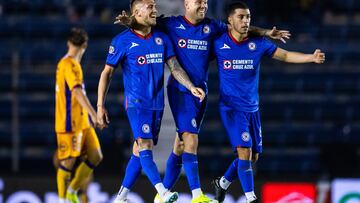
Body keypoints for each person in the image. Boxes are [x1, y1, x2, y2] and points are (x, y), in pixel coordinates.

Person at [114, 1, 290, 202]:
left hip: (200, 91)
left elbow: (240, 29)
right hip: (180, 89)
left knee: (180, 145)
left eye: (206, 2)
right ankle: (197, 195)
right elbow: (144, 23)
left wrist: (267, 33)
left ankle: (157, 195)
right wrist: (129, 21)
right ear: (186, 3)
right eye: (199, 1)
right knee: (190, 139)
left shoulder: (212, 26)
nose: (203, 5)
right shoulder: (171, 24)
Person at [211, 2, 325, 203]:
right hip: (230, 107)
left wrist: (311, 58)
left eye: (248, 17)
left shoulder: (258, 44)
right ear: (230, 20)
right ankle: (250, 197)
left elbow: (286, 55)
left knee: (252, 157)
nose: (245, 21)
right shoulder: (219, 42)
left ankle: (222, 183)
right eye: (240, 17)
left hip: (252, 108)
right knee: (244, 151)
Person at [96, 0, 206, 202]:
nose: (155, 9)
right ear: (137, 12)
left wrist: (191, 87)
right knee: (145, 144)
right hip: (137, 104)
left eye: (155, 6)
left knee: (139, 151)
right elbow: (106, 73)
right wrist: (100, 106)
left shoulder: (162, 38)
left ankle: (121, 197)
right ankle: (162, 192)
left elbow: (174, 67)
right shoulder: (122, 41)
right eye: (150, 6)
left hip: (157, 104)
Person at [55, 28, 103, 203]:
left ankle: (71, 191)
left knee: (96, 156)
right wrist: (94, 113)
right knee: (67, 163)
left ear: (69, 43)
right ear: (85, 45)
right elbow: (76, 93)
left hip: (82, 122)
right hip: (70, 123)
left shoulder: (65, 63)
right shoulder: (70, 65)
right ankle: (63, 200)